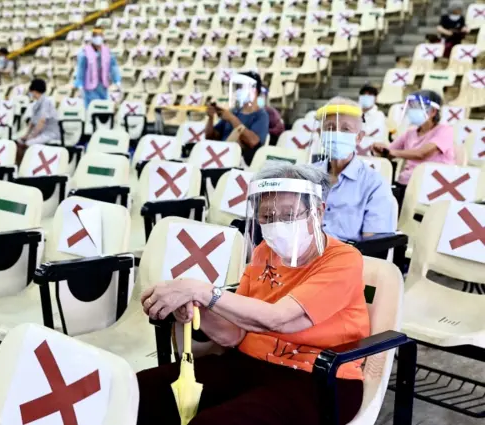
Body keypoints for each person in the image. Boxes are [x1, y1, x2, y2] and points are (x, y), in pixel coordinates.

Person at [137, 161, 369, 425]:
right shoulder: (264, 252)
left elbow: (278, 318)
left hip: (316, 376)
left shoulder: (343, 259)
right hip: (248, 363)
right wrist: (192, 307)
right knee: (138, 392)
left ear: (318, 212)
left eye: (288, 214)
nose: (277, 224)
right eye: (267, 217)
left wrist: (201, 291)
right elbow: (233, 334)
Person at [316, 97, 396, 241]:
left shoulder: (375, 185)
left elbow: (375, 247)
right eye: (329, 128)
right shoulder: (305, 177)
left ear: (359, 137)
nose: (336, 134)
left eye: (346, 129)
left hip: (345, 260)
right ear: (320, 133)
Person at [371, 90, 455, 197]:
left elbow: (421, 154)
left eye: (418, 107)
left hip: (433, 185)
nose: (412, 111)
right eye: (411, 107)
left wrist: (392, 152)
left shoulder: (445, 130)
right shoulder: (410, 133)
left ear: (433, 111)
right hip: (406, 183)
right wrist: (380, 149)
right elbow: (389, 152)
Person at [205, 71, 270, 166]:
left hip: (237, 161)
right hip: (218, 157)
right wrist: (210, 118)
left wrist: (232, 119)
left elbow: (253, 142)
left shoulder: (261, 115)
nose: (238, 91)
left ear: (254, 90)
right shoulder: (233, 111)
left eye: (241, 87)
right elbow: (211, 137)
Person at [74, 28, 121, 107]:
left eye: (100, 35)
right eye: (96, 36)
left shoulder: (107, 52)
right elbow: (81, 70)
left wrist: (117, 80)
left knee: (102, 109)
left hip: (103, 86)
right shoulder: (85, 53)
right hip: (89, 87)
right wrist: (80, 85)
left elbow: (113, 67)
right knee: (91, 109)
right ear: (92, 38)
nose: (98, 38)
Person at [16, 78, 60, 160]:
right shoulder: (36, 104)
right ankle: (18, 166)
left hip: (50, 133)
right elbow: (32, 123)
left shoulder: (47, 102)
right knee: (19, 142)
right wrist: (25, 135)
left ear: (33, 90)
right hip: (40, 133)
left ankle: (26, 165)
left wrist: (31, 136)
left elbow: (41, 122)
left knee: (26, 144)